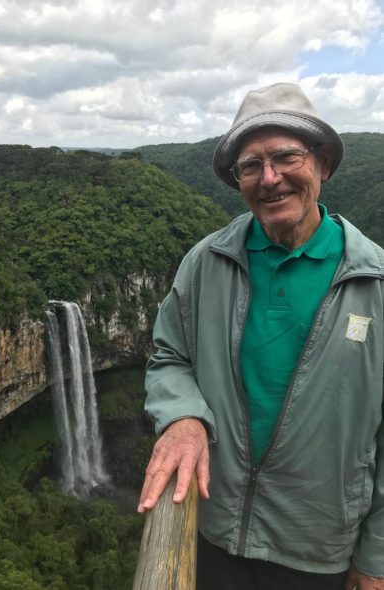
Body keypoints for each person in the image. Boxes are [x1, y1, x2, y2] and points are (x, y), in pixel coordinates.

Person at [137, 82, 384, 590]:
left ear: (323, 163)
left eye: (285, 157)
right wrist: (182, 416)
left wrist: (377, 555)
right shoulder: (206, 263)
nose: (269, 178)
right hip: (213, 530)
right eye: (250, 166)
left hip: (318, 551)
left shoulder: (374, 282)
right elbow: (169, 353)